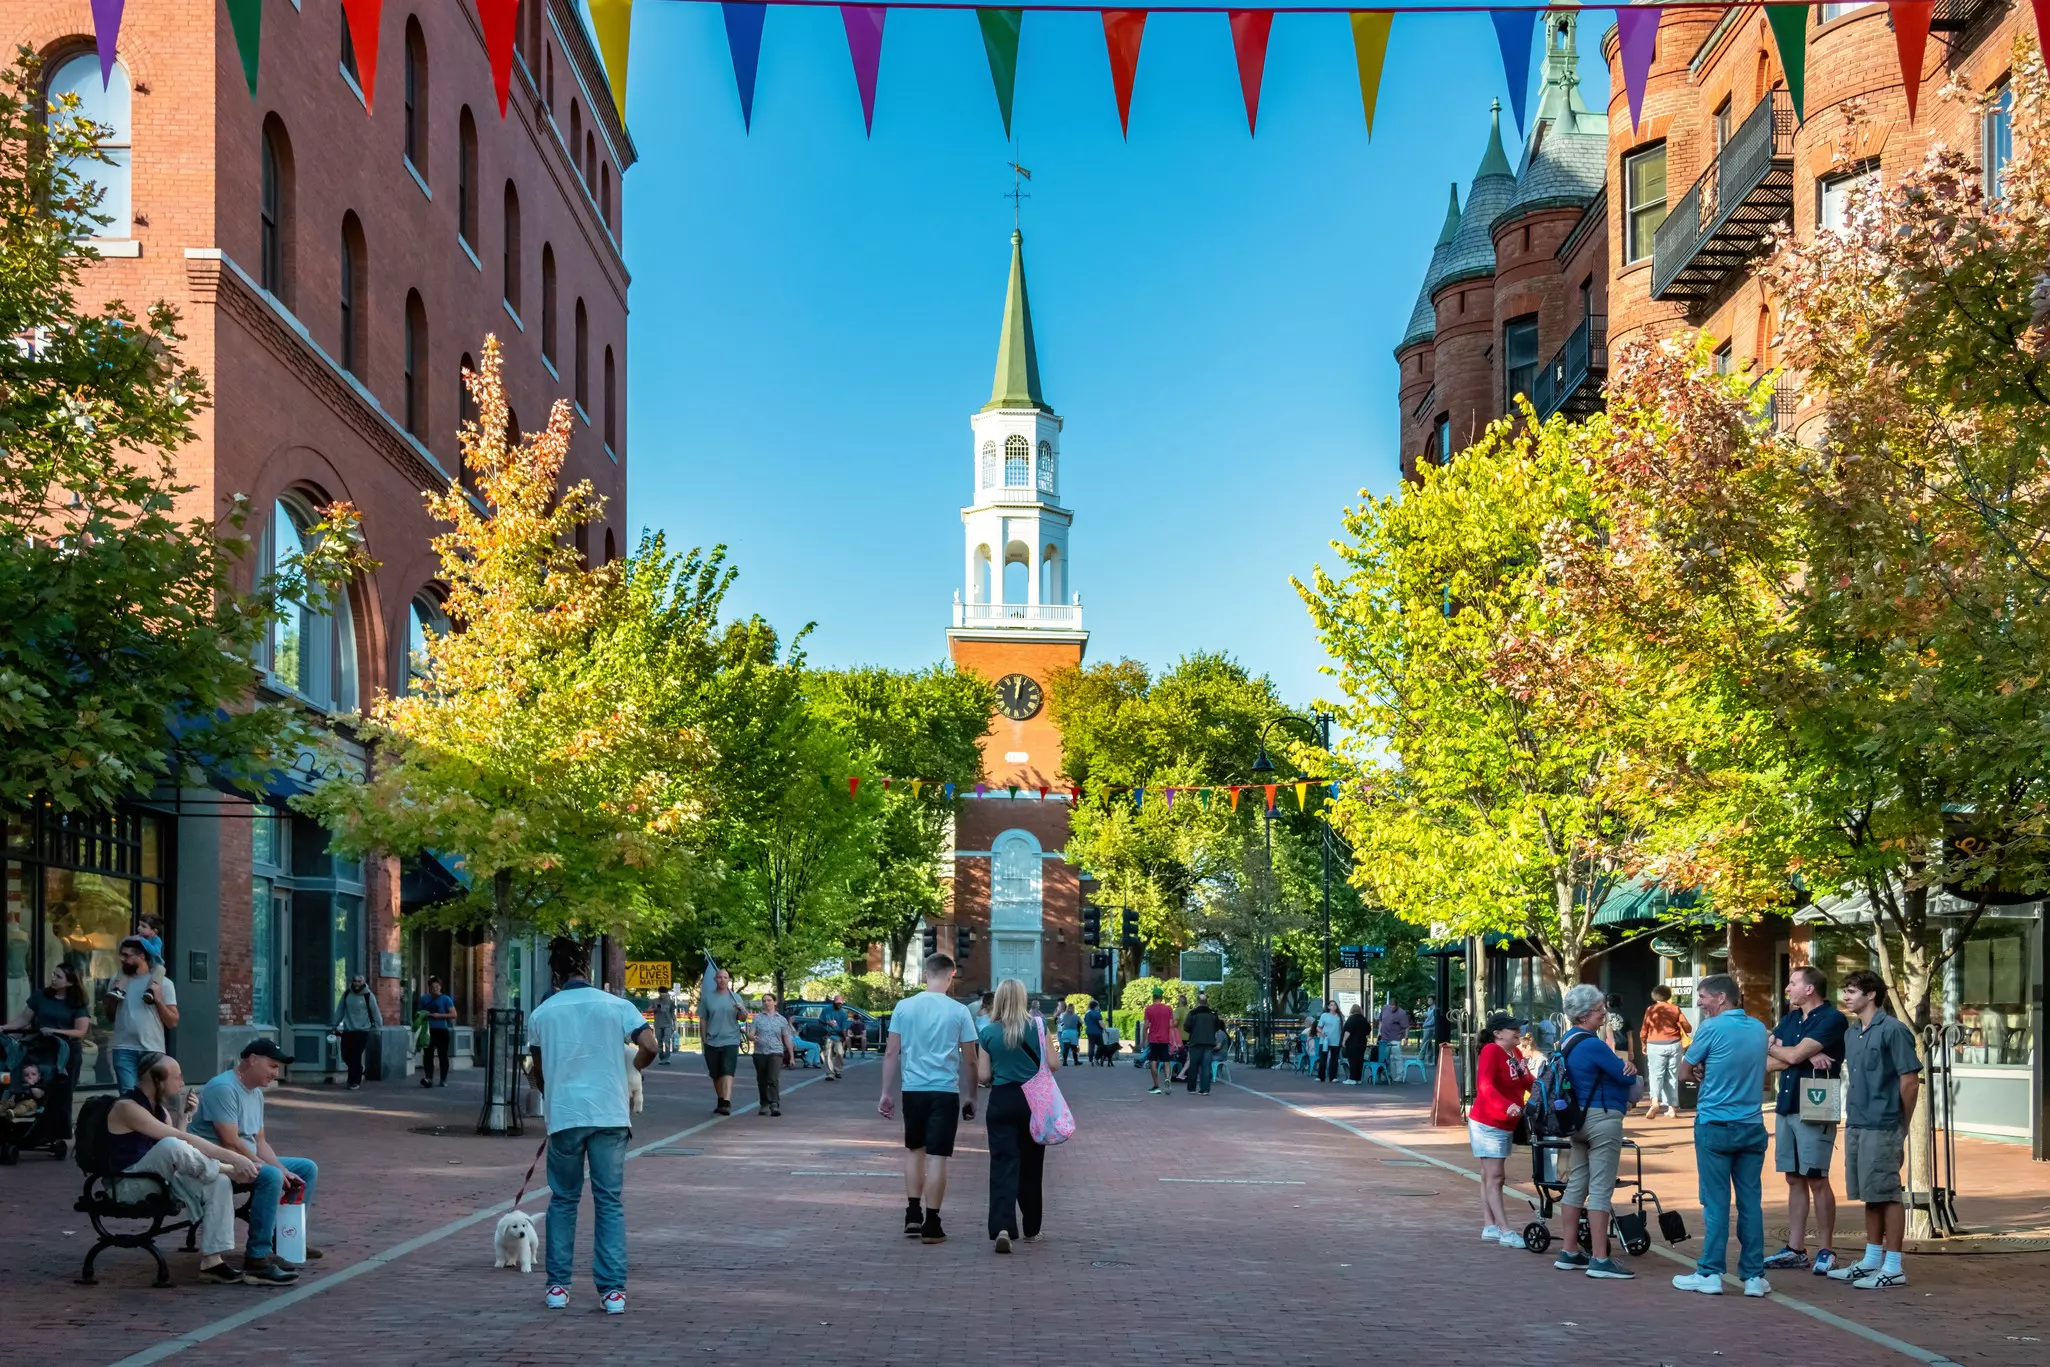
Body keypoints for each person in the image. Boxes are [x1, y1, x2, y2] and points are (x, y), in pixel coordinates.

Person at [526, 937, 657, 1314]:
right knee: (609, 1201)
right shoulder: (617, 1006)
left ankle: (557, 1287)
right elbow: (649, 1045)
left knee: (563, 1200)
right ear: (589, 970)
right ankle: (612, 1290)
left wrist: (552, 1093)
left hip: (566, 1116)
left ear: (555, 974)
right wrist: (635, 1069)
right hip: (610, 1114)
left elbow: (538, 1071)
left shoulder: (543, 1013)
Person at [106, 1051, 263, 1285]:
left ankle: (213, 1261)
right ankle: (226, 1169)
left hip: (157, 1180)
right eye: (177, 1077)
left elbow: (179, 1144)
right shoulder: (127, 1107)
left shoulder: (157, 1110)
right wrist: (233, 1160)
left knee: (217, 1181)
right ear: (158, 1080)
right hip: (126, 1185)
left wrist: (184, 1116)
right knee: (174, 1146)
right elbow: (175, 1143)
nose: (182, 1082)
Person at [1671, 973, 1772, 1298]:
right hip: (1752, 1125)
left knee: (1715, 1202)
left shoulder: (1711, 1028)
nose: (1698, 1002)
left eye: (1702, 997)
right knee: (1750, 1203)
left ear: (1721, 998)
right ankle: (1754, 1277)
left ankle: (1710, 1272)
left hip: (1714, 1124)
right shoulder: (1758, 1028)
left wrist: (1703, 1074)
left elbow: (1685, 1070)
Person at [188, 1039, 319, 1284]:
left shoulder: (256, 1093)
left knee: (306, 1168)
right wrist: (274, 1170)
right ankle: (257, 1257)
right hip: (217, 1163)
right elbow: (230, 1142)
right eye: (272, 1066)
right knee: (270, 1176)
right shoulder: (223, 1088)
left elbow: (260, 1142)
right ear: (253, 1059)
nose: (275, 1073)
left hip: (245, 1157)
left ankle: (286, 1239)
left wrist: (281, 1168)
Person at [1824, 970, 1922, 1291]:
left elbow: (1909, 1081)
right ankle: (1871, 1259)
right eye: (1845, 991)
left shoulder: (1894, 1031)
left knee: (1888, 1193)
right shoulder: (1853, 1033)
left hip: (1884, 1124)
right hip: (1857, 1122)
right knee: (1870, 1194)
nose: (1846, 997)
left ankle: (1893, 1266)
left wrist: (1901, 1125)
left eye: (1852, 991)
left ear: (1871, 995)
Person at [878, 953, 979, 1244]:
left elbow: (891, 1052)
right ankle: (932, 1221)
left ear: (925, 975)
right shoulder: (959, 1011)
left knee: (914, 1150)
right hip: (944, 1090)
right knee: (937, 1156)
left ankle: (912, 1213)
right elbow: (970, 1059)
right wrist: (972, 1095)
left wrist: (886, 1092)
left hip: (913, 1089)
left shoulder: (904, 1007)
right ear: (952, 975)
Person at [1763, 965, 1848, 1275]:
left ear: (1810, 989)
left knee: (1816, 1177)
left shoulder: (1832, 1019)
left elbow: (1788, 1056)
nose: (1787, 988)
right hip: (1786, 1106)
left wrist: (1786, 1050)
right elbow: (1769, 1059)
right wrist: (1796, 1052)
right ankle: (1796, 1248)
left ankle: (1826, 1249)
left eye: (1793, 983)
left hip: (1816, 1105)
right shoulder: (1789, 1019)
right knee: (1793, 1177)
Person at [1552, 982, 1639, 1281]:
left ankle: (1569, 1250)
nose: (1604, 1013)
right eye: (1599, 1009)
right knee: (1601, 1188)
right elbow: (1625, 1078)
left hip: (1576, 1121)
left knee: (1577, 1183)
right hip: (1602, 1118)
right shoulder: (1592, 1044)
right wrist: (1629, 1068)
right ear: (1584, 1015)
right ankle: (1600, 1257)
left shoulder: (1566, 1041)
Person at [978, 978, 1058, 1252]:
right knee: (1032, 1167)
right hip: (1033, 1101)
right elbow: (1054, 1063)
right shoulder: (1038, 1026)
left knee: (1002, 1164)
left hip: (1002, 1099)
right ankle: (1032, 1229)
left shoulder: (988, 1033)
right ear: (1024, 999)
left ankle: (1002, 1226)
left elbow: (983, 1075)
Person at [1470, 1013, 1537, 1247]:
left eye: (1518, 1027)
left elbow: (1525, 1080)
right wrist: (1505, 1106)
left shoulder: (1514, 1053)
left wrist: (1541, 1088)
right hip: (1489, 1122)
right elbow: (1485, 1086)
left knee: (1489, 1175)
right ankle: (1504, 1229)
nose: (1518, 1031)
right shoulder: (1491, 1051)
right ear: (1498, 1033)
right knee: (1496, 1176)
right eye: (1512, 1029)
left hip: (1505, 1122)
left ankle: (1490, 1225)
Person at [106, 936, 177, 1094]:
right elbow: (110, 1016)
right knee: (128, 1097)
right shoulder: (116, 980)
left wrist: (158, 1000)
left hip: (152, 1049)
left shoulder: (163, 983)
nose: (122, 959)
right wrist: (113, 996)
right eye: (121, 955)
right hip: (123, 1048)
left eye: (127, 955)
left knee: (153, 1096)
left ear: (142, 956)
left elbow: (172, 1022)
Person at [3, 962, 92, 1080]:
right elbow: (23, 1019)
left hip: (68, 1051)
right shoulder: (41, 995)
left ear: (70, 983)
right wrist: (4, 1027)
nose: (53, 978)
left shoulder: (77, 1002)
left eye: (58, 977)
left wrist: (53, 1031)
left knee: (63, 1092)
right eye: (54, 974)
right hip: (43, 1048)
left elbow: (80, 1032)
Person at [697, 966, 749, 1116]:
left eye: (725, 977)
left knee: (728, 1070)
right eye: (719, 977)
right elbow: (703, 1019)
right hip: (712, 1040)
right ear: (715, 979)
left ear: (729, 980)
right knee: (715, 1073)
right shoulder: (707, 997)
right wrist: (704, 1038)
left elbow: (742, 1018)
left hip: (731, 1039)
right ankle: (721, 1098)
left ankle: (726, 1101)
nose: (722, 980)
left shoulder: (735, 997)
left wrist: (741, 1010)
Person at [1640, 985, 1689, 1119]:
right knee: (1672, 1076)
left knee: (1656, 1075)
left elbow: (1644, 1030)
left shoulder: (1651, 1010)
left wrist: (1644, 1044)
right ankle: (1672, 1108)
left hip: (1655, 1045)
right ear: (1668, 996)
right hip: (1674, 1044)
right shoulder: (1675, 1009)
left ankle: (1655, 1101)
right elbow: (1687, 1027)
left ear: (1654, 996)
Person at [746, 992, 798, 1116]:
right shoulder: (758, 1018)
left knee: (772, 1078)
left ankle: (774, 1104)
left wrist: (791, 1057)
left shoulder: (781, 1020)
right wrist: (752, 1037)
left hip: (776, 1052)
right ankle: (764, 1103)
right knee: (762, 1079)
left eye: (769, 1000)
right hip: (760, 1053)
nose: (766, 1003)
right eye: (764, 1001)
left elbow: (787, 1038)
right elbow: (751, 1034)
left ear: (774, 1002)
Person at [332, 974, 382, 1090]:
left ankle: (355, 1081)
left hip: (362, 1030)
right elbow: (340, 1010)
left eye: (359, 981)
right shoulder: (347, 994)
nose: (357, 983)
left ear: (363, 982)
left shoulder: (368, 996)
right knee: (346, 1055)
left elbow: (375, 1013)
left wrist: (378, 1029)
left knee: (355, 1055)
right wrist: (335, 1024)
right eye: (355, 981)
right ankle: (358, 1070)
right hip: (348, 1029)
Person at [417, 976, 455, 1087]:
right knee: (428, 1055)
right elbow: (420, 1013)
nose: (435, 989)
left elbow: (453, 1014)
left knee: (442, 1055)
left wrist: (440, 1016)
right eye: (433, 987)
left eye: (437, 987)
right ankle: (428, 1078)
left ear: (440, 987)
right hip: (428, 1030)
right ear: (429, 988)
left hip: (442, 1031)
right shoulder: (424, 999)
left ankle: (443, 1079)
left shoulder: (446, 999)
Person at [1181, 989, 1222, 1095]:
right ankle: (1205, 1089)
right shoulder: (1213, 1014)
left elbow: (1186, 1027)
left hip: (1195, 1042)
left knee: (1193, 1065)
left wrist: (1194, 1032)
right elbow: (1217, 1027)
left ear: (1197, 1001)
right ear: (1206, 1002)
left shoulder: (1192, 1013)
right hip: (1209, 1043)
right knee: (1206, 1066)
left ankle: (1192, 1088)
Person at [1142, 986, 1176, 1095]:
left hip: (1153, 1039)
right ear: (1161, 997)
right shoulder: (1168, 1009)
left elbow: (1146, 1026)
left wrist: (1143, 1040)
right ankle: (1167, 1078)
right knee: (1166, 1060)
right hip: (1164, 1038)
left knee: (1153, 1060)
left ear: (1153, 997)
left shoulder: (1149, 1009)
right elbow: (1171, 1024)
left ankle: (1156, 1085)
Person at [1376, 997, 1412, 1082]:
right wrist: (1379, 1032)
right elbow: (1381, 1020)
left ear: (1397, 1006)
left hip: (1395, 1037)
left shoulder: (1401, 1013)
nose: (1392, 1008)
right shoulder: (1385, 1008)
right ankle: (1387, 1074)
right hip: (1385, 1037)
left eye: (1393, 1007)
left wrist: (1406, 1038)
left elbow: (1406, 1027)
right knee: (1385, 1057)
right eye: (1390, 1006)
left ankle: (1400, 1075)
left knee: (1397, 1057)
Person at [819, 992, 850, 1081]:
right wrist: (827, 1023)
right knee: (829, 1055)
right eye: (837, 1003)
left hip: (838, 1035)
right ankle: (830, 1074)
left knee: (840, 1053)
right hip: (828, 1034)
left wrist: (844, 1038)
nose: (839, 1005)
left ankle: (838, 1070)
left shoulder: (843, 1013)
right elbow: (820, 1021)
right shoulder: (826, 1010)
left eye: (841, 1003)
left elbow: (844, 1028)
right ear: (834, 1002)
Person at [1340, 1002, 1372, 1084]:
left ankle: (1352, 1078)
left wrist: (1344, 1041)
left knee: (1352, 1060)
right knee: (1359, 1060)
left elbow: (1348, 1031)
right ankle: (1358, 1078)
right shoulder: (1363, 1019)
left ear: (1352, 1010)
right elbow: (1368, 1030)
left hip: (1352, 1043)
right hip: (1362, 1043)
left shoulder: (1351, 1019)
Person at [649, 988, 678, 1065]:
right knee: (659, 1042)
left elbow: (672, 1014)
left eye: (663, 993)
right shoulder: (654, 1001)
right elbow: (649, 1010)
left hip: (668, 1024)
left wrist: (675, 1023)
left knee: (667, 1040)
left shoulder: (670, 1002)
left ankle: (666, 1058)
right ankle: (661, 1057)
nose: (662, 994)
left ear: (666, 993)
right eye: (661, 993)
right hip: (658, 1024)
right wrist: (655, 1009)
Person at [1316, 1000, 1343, 1083]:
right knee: (1323, 1058)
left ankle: (1333, 1077)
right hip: (1325, 1040)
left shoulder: (1339, 1016)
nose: (1333, 1006)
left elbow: (1342, 1028)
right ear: (1328, 1007)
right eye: (1331, 1005)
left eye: (1335, 1005)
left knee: (1334, 1059)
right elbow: (1318, 1027)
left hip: (1336, 1040)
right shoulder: (1324, 1015)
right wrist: (1322, 1032)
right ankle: (1321, 1077)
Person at [1057, 1001, 1082, 1068]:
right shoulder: (1076, 1016)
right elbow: (1081, 1022)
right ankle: (1076, 1061)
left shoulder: (1063, 1016)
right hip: (1073, 1032)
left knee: (1066, 1048)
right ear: (1073, 1008)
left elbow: (1059, 1021)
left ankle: (1065, 1062)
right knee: (1074, 1048)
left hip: (1065, 1032)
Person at [1083, 999, 1104, 1064]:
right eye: (1098, 1006)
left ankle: (1090, 1059)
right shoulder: (1097, 1014)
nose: (1098, 1007)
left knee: (1091, 1045)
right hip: (1097, 1032)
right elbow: (1100, 1023)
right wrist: (1105, 1029)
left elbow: (1085, 1023)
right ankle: (1096, 1058)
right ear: (1096, 1006)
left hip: (1089, 1031)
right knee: (1101, 1045)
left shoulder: (1087, 1014)